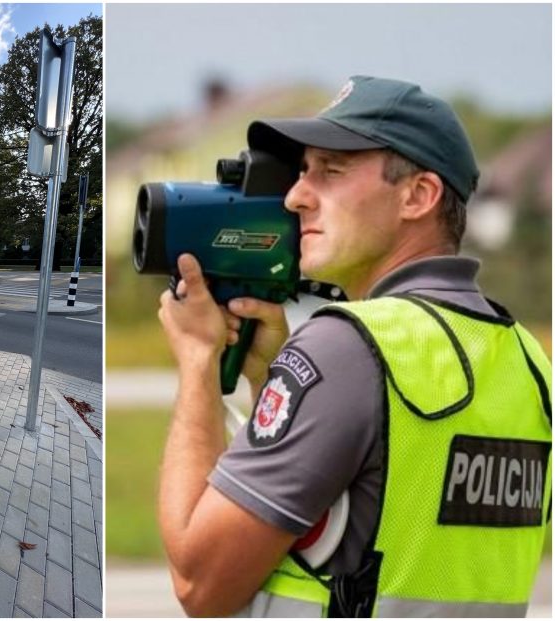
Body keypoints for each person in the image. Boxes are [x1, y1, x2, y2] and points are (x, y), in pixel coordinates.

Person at [156, 76, 551, 617]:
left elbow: (199, 584)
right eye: (302, 172)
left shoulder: (347, 348)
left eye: (331, 171)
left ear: (418, 195)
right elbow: (393, 515)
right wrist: (269, 376)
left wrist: (199, 360)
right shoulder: (529, 364)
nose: (296, 196)